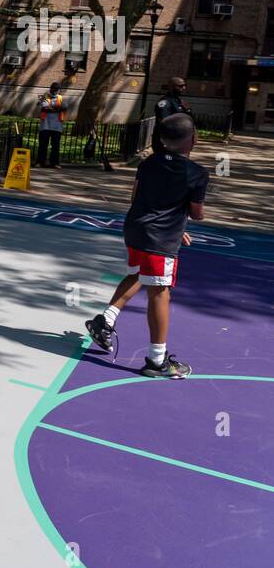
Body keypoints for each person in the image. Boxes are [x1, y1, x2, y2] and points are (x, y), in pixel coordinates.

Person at [84, 113, 207, 379]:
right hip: (159, 238)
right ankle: (157, 360)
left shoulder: (148, 163)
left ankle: (106, 319)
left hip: (136, 229)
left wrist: (174, 224)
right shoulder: (196, 173)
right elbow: (196, 213)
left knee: (140, 275)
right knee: (160, 292)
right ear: (192, 139)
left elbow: (136, 196)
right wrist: (178, 221)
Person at [151, 76, 192, 154]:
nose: (184, 88)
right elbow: (164, 123)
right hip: (167, 142)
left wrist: (188, 110)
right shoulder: (165, 103)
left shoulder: (179, 101)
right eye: (180, 86)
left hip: (179, 141)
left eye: (184, 85)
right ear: (172, 87)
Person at [37, 82, 66, 168]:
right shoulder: (45, 97)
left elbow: (64, 107)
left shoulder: (61, 98)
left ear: (59, 90)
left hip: (57, 126)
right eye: (53, 88)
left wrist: (51, 108)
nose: (54, 90)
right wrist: (57, 109)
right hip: (45, 126)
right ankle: (40, 162)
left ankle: (55, 163)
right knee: (43, 145)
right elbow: (44, 108)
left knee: (55, 146)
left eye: (56, 89)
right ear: (50, 88)